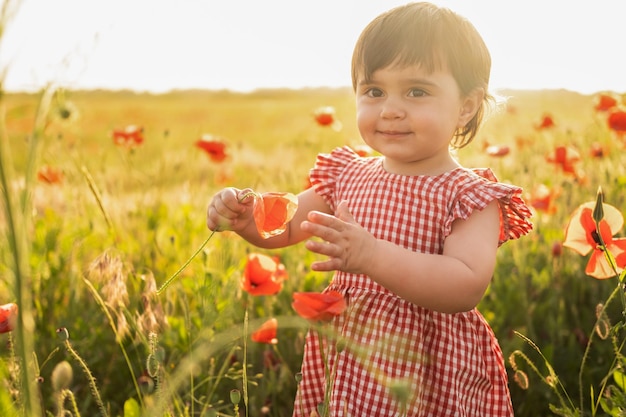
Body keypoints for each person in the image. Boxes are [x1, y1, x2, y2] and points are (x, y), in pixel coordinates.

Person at [206, 2, 532, 416]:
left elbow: (465, 286)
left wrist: (372, 255)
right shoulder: (347, 174)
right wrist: (245, 218)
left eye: (417, 91)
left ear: (466, 106)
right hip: (351, 356)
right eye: (374, 91)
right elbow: (286, 229)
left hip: (427, 366)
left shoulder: (468, 196)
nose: (390, 109)